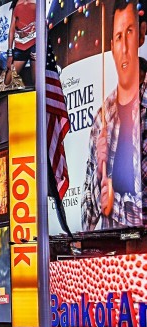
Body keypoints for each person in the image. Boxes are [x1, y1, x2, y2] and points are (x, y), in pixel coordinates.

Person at [82, 0, 142, 230]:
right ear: (111, 46)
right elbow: (86, 221)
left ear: (141, 35)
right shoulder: (102, 117)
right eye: (118, 37)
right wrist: (99, 172)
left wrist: (113, 204)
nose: (125, 47)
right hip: (112, 260)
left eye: (130, 32)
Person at [5, 0, 36, 86]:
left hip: (35, 43)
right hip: (20, 46)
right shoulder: (16, 3)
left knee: (37, 82)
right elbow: (11, 30)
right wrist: (10, 54)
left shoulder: (38, 2)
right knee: (8, 82)